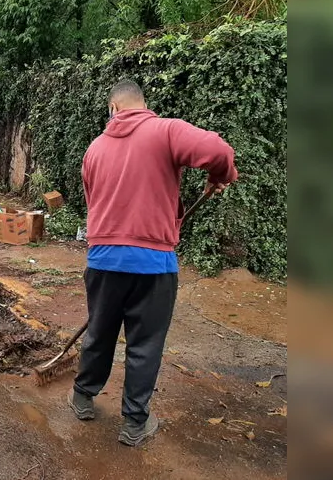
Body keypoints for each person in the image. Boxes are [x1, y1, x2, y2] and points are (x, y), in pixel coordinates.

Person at [68, 79, 238, 446]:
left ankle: (82, 397)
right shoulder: (166, 131)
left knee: (100, 332)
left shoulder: (94, 149)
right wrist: (220, 175)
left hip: (102, 260)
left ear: (113, 108)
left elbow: (94, 203)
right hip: (153, 264)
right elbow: (218, 151)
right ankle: (134, 423)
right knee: (144, 345)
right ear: (142, 104)